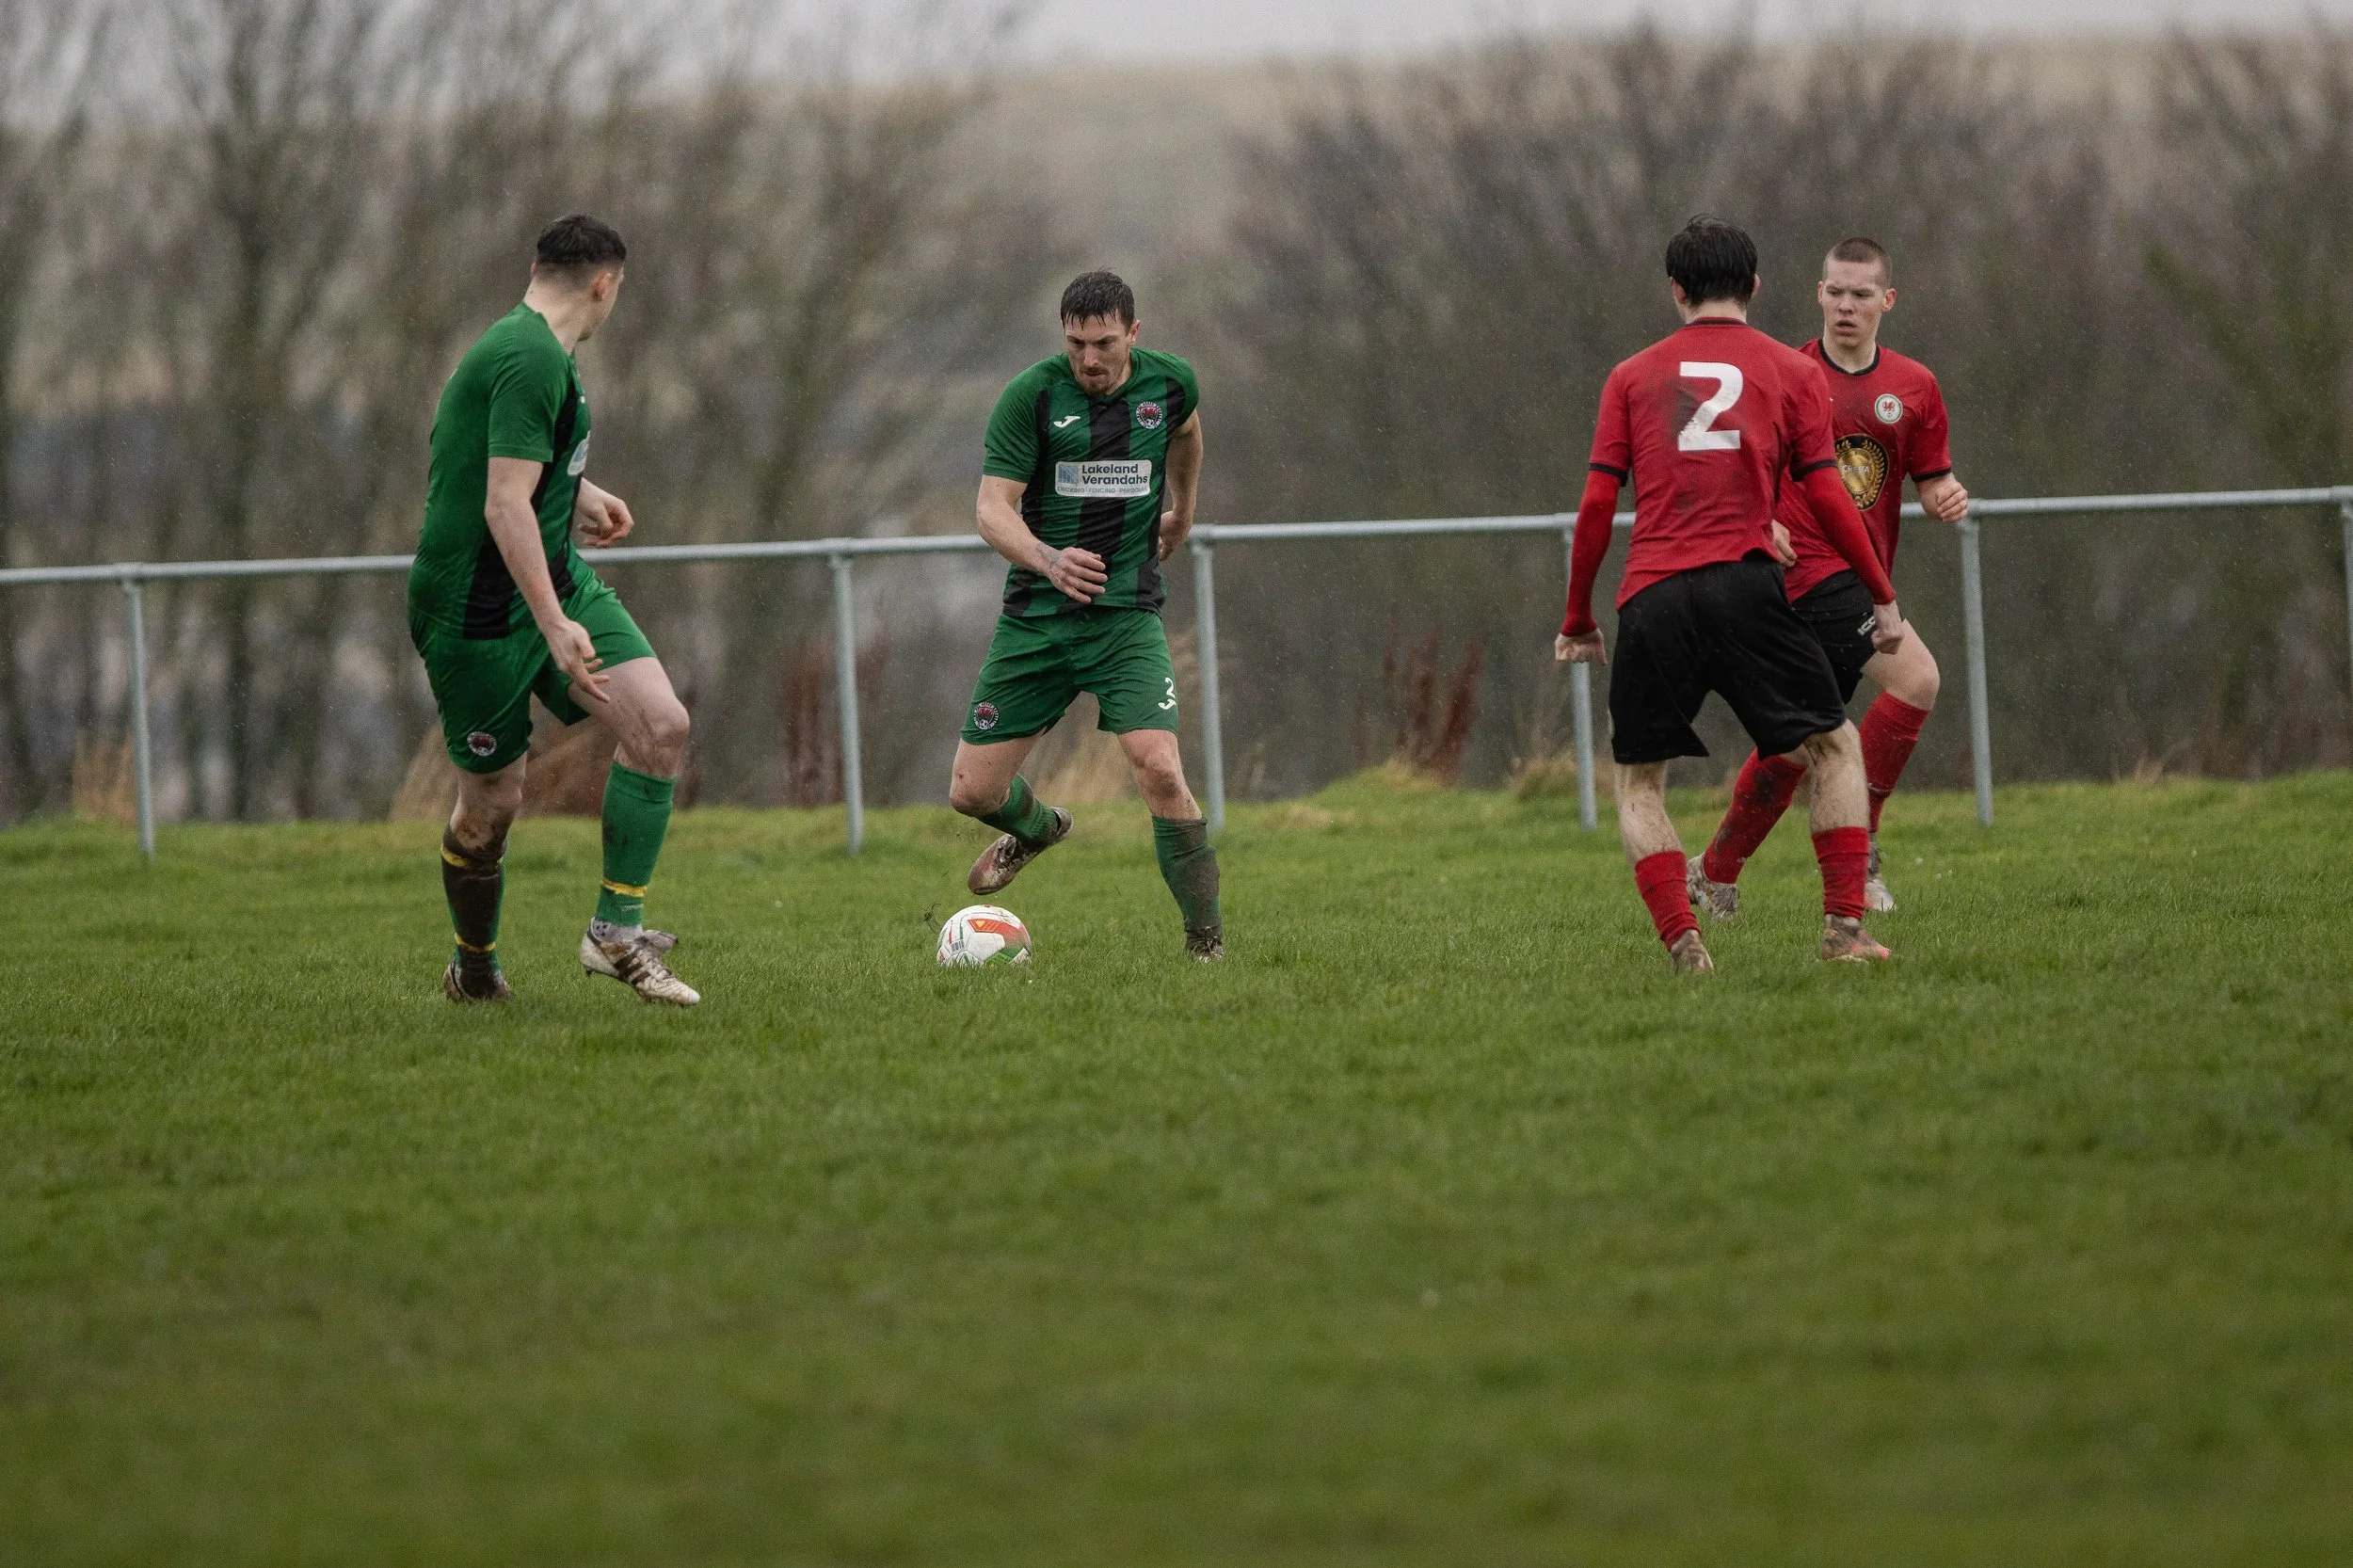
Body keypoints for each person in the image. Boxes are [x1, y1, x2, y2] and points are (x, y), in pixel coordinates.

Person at [1556, 216, 1907, 971]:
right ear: (1753, 287)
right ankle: (1844, 931)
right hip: (1747, 587)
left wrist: (1579, 616)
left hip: (1653, 596)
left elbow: (1594, 507)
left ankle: (1685, 941)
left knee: (1640, 783)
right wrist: (1881, 594)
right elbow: (1826, 495)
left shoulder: (1630, 376)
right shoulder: (1794, 370)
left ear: (1676, 290)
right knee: (1835, 746)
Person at [408, 215, 698, 1006]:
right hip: (475, 611)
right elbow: (503, 506)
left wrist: (578, 496)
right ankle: (474, 968)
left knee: (661, 724)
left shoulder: (536, 350)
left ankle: (615, 934)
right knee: (491, 807)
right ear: (605, 284)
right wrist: (551, 624)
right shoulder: (529, 356)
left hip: (554, 581)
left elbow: (495, 465)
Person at [1689, 236, 1969, 919]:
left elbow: (1932, 481)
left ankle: (1714, 871)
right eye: (1835, 292)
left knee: (1792, 745)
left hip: (1860, 572)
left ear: (1887, 302)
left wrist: (1948, 498)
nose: (1846, 306)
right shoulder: (1783, 373)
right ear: (1818, 294)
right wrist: (1762, 524)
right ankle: (1863, 850)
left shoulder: (1915, 387)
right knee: (1918, 677)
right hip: (1803, 575)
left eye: (1861, 295)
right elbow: (1730, 466)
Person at [946, 270, 1222, 960]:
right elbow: (990, 509)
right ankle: (1037, 828)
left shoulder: (1170, 383)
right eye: (1076, 344)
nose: (1089, 360)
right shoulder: (1032, 396)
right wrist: (1047, 558)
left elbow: (1186, 433)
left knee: (1159, 769)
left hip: (1126, 619)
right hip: (1036, 620)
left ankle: (1204, 942)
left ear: (1134, 333)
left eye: (1103, 343)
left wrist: (1184, 508)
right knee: (972, 793)